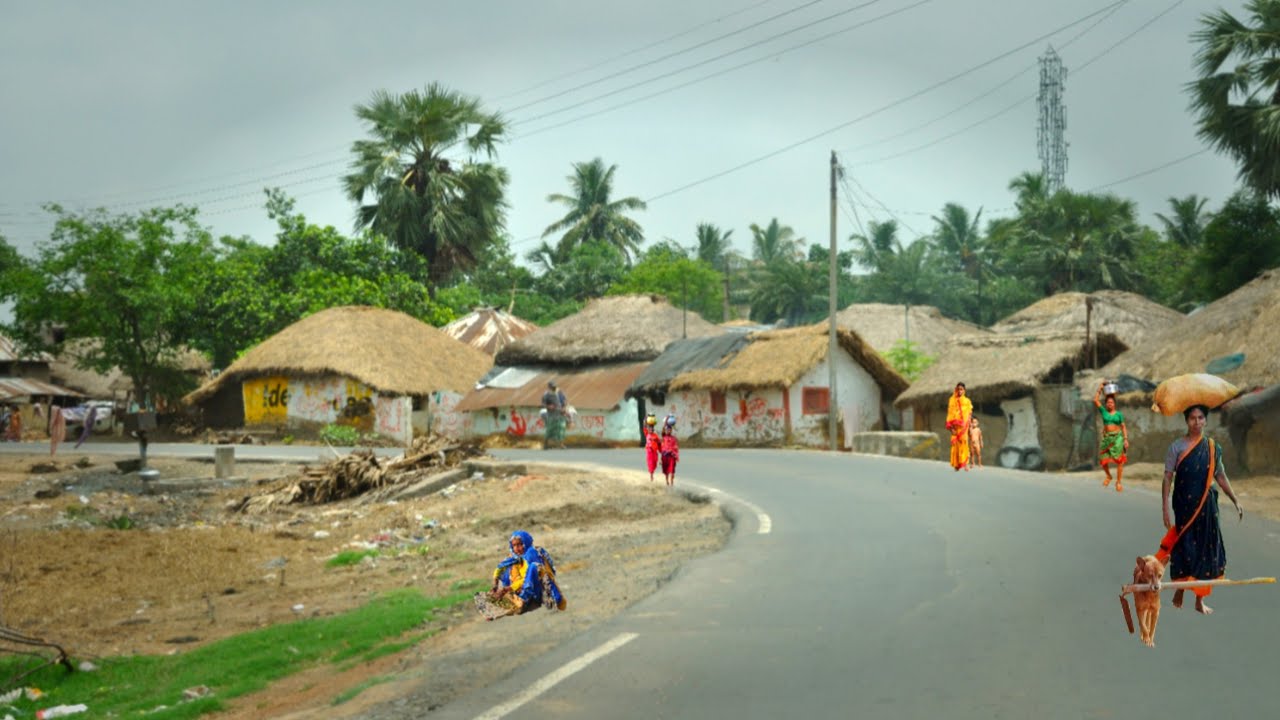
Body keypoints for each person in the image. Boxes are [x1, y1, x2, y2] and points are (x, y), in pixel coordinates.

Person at [1156, 404, 1243, 616]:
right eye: (1192, 418)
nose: (1197, 422)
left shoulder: (1213, 448)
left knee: (1206, 550)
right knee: (1185, 547)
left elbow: (1220, 476)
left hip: (1207, 507)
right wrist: (1165, 507)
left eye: (1201, 417)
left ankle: (1199, 599)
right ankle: (1180, 589)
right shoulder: (1176, 447)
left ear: (1205, 420)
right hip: (1184, 505)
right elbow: (1167, 477)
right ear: (1187, 421)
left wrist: (1235, 499)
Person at [487, 530, 566, 617]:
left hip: (535, 589)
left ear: (526, 543)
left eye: (520, 544)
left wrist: (510, 588)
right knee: (505, 570)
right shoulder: (514, 556)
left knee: (534, 567)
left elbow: (526, 578)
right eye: (514, 545)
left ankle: (522, 600)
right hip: (519, 587)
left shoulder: (531, 554)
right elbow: (500, 567)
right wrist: (495, 584)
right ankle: (507, 600)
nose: (517, 548)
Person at [1094, 381, 1129, 492]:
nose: (1110, 404)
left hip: (1118, 438)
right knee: (1103, 460)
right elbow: (1095, 400)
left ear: (1114, 404)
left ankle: (1118, 482)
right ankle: (1109, 476)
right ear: (1106, 404)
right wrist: (1100, 389)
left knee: (1120, 461)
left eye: (1111, 402)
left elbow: (1123, 427)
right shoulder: (1104, 412)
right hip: (1107, 438)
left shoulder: (1119, 414)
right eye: (1108, 402)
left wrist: (1125, 439)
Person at [945, 382, 972, 471]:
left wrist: (970, 426)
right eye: (958, 389)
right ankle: (957, 464)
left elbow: (969, 414)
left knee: (964, 443)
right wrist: (951, 428)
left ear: (964, 390)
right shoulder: (952, 400)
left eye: (961, 389)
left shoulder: (967, 401)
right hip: (955, 427)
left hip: (964, 426)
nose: (960, 391)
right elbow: (950, 413)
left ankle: (966, 463)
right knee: (955, 445)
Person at [541, 381, 567, 450]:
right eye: (552, 387)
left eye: (554, 387)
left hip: (560, 414)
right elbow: (543, 404)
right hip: (552, 415)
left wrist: (564, 408)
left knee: (561, 429)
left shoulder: (559, 393)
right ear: (549, 387)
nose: (553, 388)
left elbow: (564, 401)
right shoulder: (546, 395)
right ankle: (545, 444)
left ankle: (561, 444)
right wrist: (549, 406)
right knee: (550, 430)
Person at [660, 415, 680, 487]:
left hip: (671, 457)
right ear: (665, 431)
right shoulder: (664, 437)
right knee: (666, 471)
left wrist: (676, 456)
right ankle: (667, 481)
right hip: (665, 456)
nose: (668, 431)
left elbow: (676, 447)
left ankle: (672, 482)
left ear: (671, 430)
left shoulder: (674, 438)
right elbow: (661, 449)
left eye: (669, 430)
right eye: (667, 430)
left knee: (672, 471)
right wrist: (667, 419)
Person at [643, 414, 661, 481]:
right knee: (650, 463)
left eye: (652, 428)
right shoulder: (647, 434)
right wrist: (645, 419)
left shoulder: (655, 436)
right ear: (648, 429)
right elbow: (644, 427)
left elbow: (659, 444)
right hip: (649, 452)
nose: (650, 429)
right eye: (649, 428)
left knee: (655, 464)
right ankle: (651, 475)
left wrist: (661, 451)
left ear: (653, 429)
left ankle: (652, 472)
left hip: (655, 452)